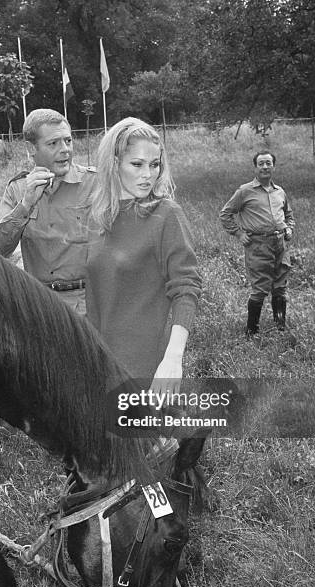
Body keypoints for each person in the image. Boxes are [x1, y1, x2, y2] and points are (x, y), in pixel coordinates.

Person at [86, 117, 201, 401]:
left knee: (153, 444)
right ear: (114, 164)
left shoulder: (166, 215)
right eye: (137, 164)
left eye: (155, 164)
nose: (148, 174)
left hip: (148, 370)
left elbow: (186, 288)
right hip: (101, 365)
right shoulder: (99, 220)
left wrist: (173, 358)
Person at [0, 108, 96, 314]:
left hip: (90, 304)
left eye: (68, 141)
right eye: (53, 143)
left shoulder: (95, 183)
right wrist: (26, 204)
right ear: (31, 148)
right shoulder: (18, 189)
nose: (65, 150)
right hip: (40, 307)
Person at [219, 150, 295, 335]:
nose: (265, 167)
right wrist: (238, 233)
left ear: (273, 167)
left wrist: (289, 228)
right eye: (261, 163)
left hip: (280, 244)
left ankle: (280, 327)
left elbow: (289, 215)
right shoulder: (245, 191)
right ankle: (252, 331)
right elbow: (225, 214)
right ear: (255, 167)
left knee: (280, 287)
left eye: (268, 163)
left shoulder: (280, 192)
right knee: (260, 289)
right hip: (258, 246)